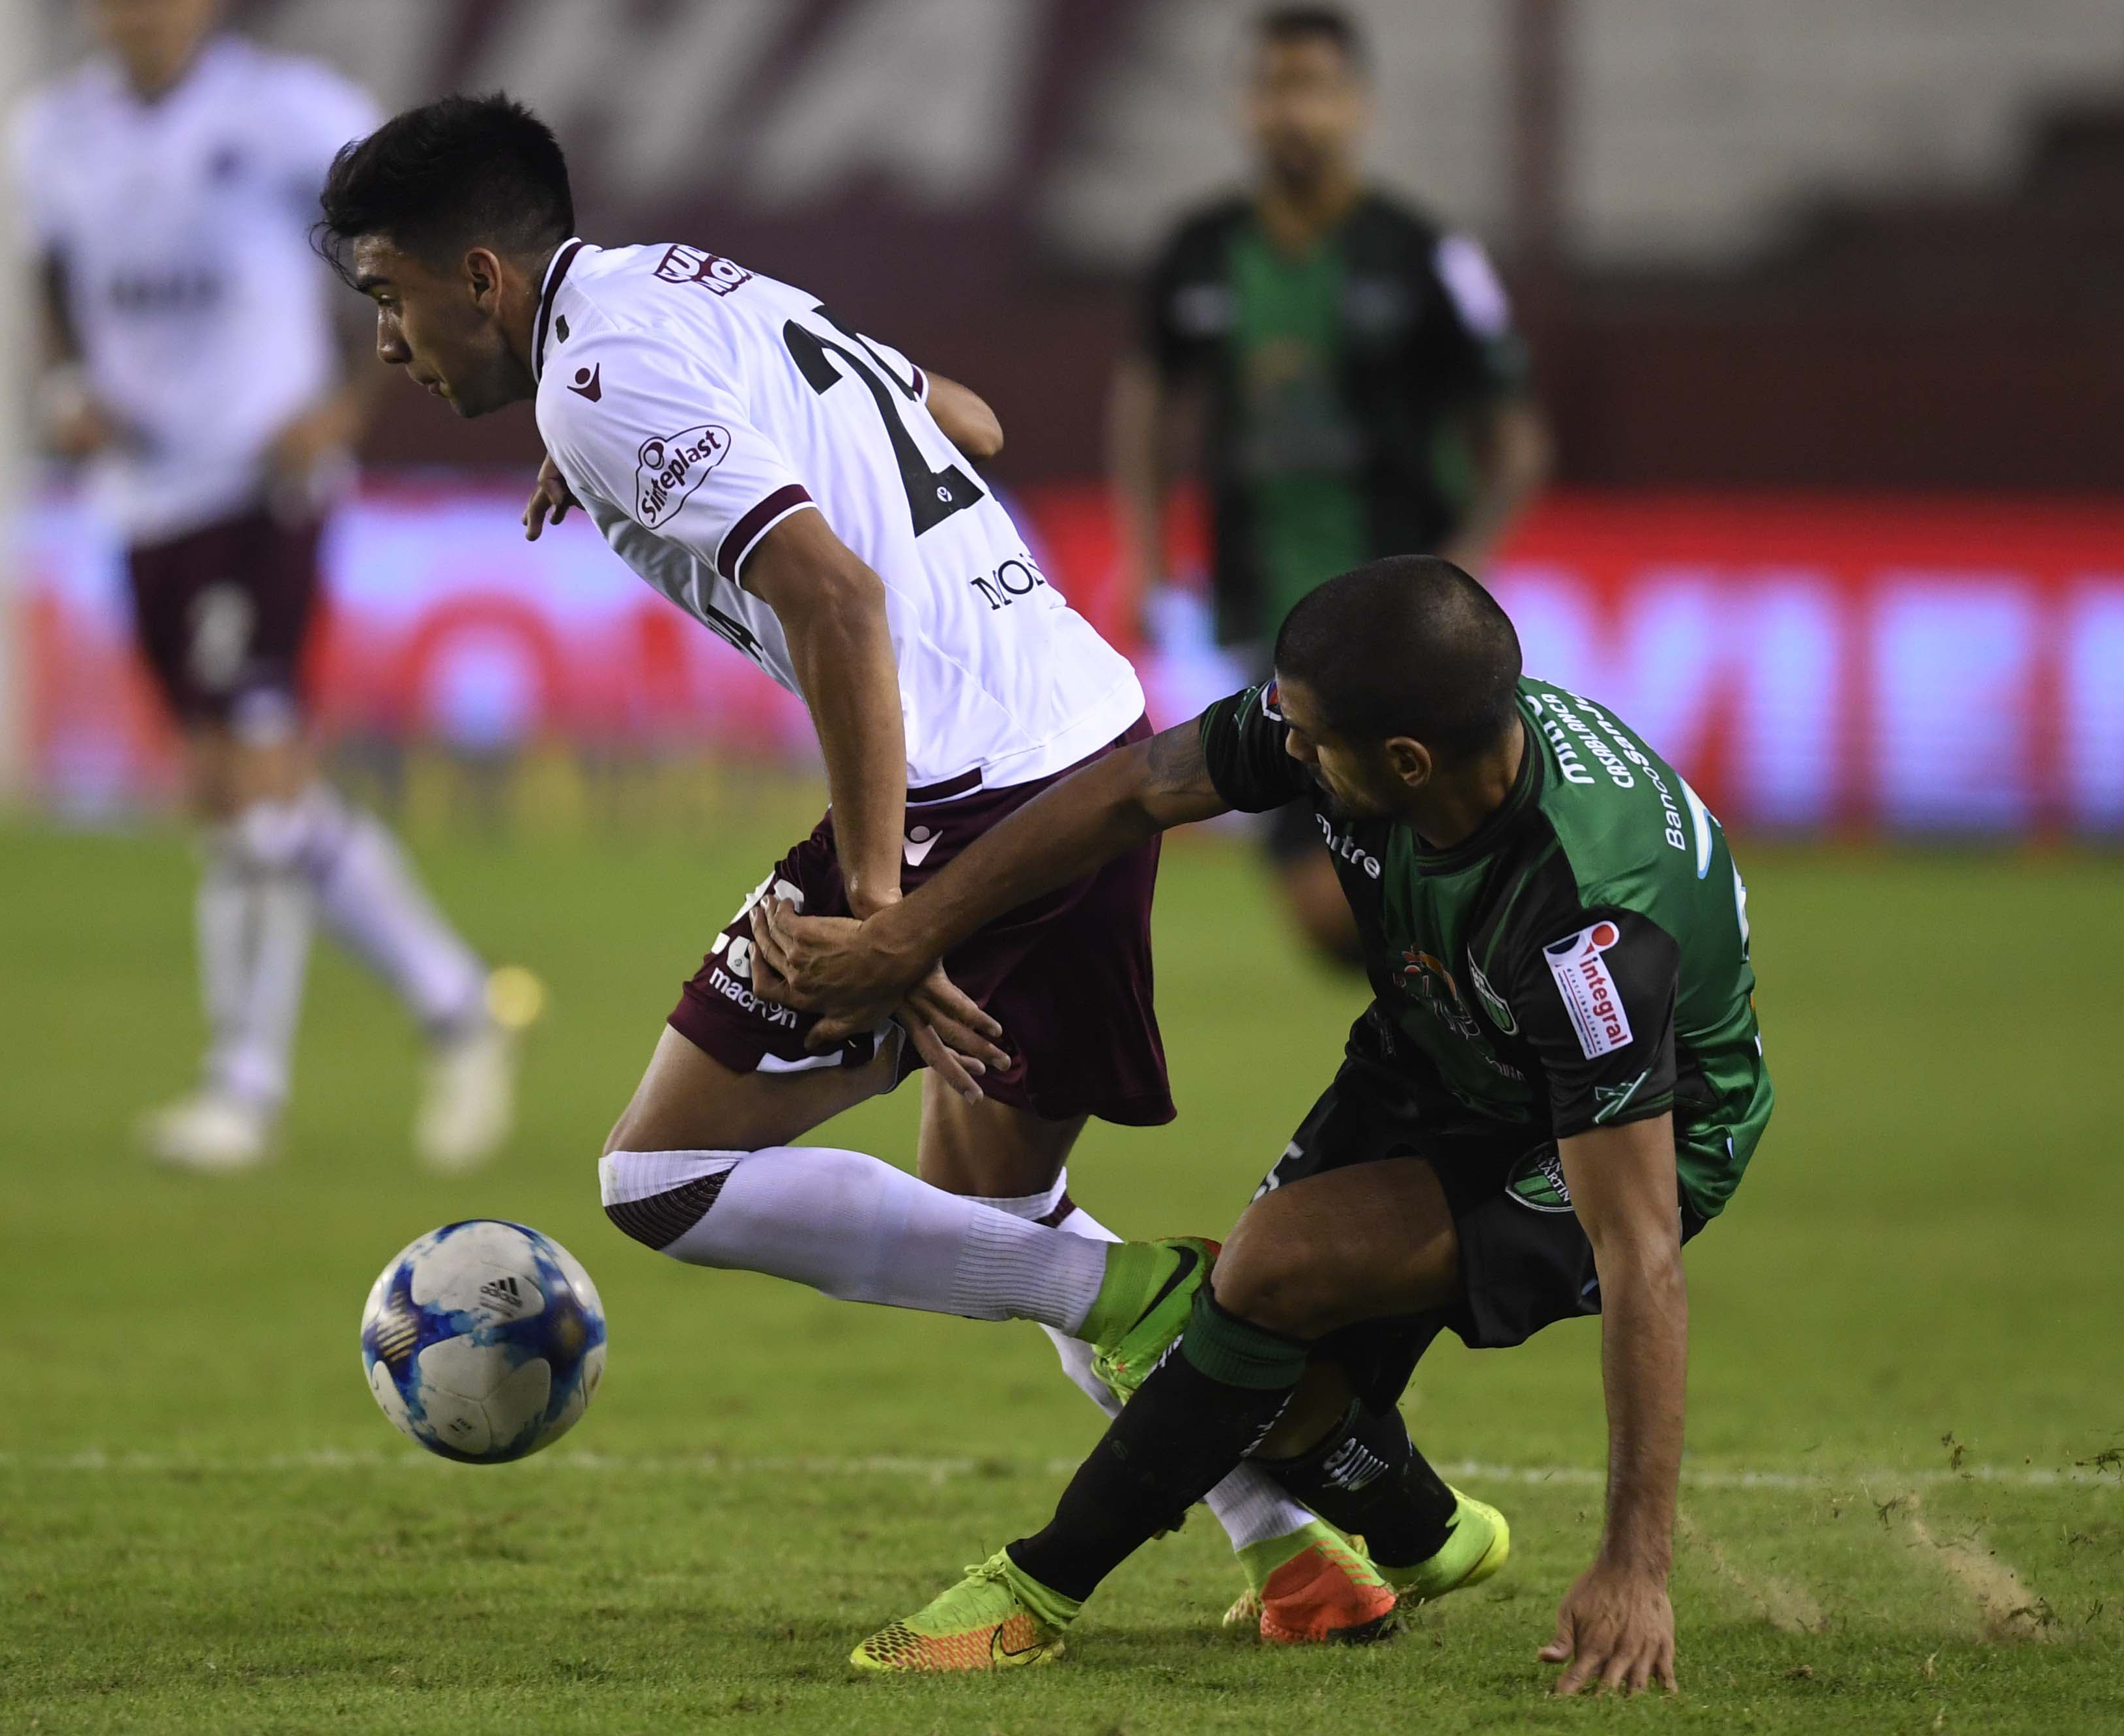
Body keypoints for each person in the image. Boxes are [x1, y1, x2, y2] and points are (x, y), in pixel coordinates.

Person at [312, 91, 1386, 1641]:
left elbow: (835, 601)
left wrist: (884, 907)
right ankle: (1310, 1548)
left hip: (967, 789)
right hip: (1087, 729)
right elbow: (966, 419)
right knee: (993, 1209)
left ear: (479, 278)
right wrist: (618, 462)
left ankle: (1150, 1302)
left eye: (388, 299)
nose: (387, 345)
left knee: (663, 1177)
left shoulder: (598, 375)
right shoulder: (686, 284)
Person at [752, 557, 1770, 1690]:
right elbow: (1137, 789)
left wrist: (1636, 1566)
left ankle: (1039, 1587)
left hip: (1629, 1134)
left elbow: (1639, 1250)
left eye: (1311, 743)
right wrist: (912, 930)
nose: (1286, 753)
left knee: (1266, 1277)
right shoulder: (1369, 715)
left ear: (1405, 765)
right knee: (1248, 1366)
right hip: (1444, 1040)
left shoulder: (1586, 930)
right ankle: (1429, 1534)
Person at [11, 0, 528, 1175]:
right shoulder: (51, 134)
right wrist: (69, 387)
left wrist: (345, 401)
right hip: (146, 492)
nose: (142, 8)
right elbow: (50, 275)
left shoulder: (283, 111)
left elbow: (405, 231)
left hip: (262, 486)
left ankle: (242, 1088)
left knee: (251, 779)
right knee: (231, 794)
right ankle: (460, 1005)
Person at [1110, 0, 1551, 970]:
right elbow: (1145, 403)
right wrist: (1144, 556)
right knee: (1329, 905)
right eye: (1272, 86)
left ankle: (1482, 1038)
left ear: (1356, 106)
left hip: (1408, 619)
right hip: (1261, 612)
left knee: (1414, 865)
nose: (1291, 111)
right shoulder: (1197, 249)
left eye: (1312, 87)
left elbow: (1516, 437)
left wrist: (1463, 572)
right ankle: (1463, 1027)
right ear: (1242, 103)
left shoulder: (1425, 252)